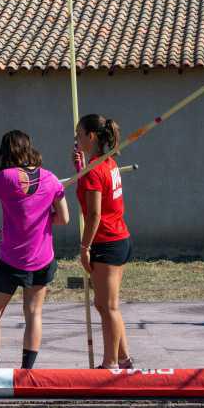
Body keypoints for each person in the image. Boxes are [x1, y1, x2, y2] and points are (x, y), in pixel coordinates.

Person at [0, 130, 70, 369]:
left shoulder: (5, 177)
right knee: (34, 314)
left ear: (4, 152)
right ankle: (27, 372)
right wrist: (45, 217)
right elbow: (64, 218)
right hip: (42, 259)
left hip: (11, 260)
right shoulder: (51, 179)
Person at [74, 114, 135, 369]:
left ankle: (110, 364)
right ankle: (123, 358)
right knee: (106, 305)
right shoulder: (107, 164)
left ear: (91, 136)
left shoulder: (96, 170)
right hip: (117, 238)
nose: (76, 139)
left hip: (107, 242)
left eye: (79, 134)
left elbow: (95, 213)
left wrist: (85, 247)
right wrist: (80, 170)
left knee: (107, 306)